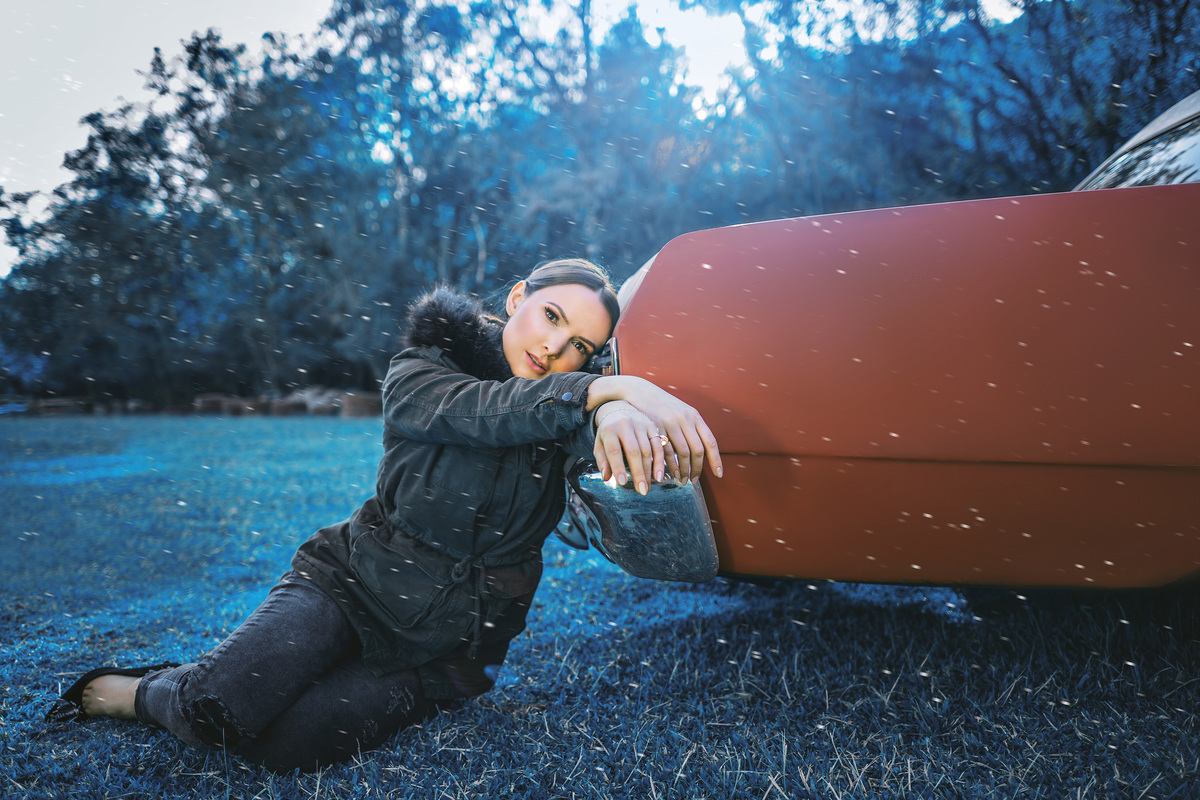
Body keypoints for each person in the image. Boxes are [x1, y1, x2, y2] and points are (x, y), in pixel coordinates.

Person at [47, 258, 722, 773]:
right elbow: (487, 414)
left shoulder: (568, 409)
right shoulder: (426, 368)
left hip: (450, 651)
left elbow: (589, 426)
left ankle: (275, 676)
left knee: (284, 748)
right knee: (217, 714)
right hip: (350, 585)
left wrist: (617, 409)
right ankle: (141, 690)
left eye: (580, 346)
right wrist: (612, 386)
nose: (555, 350)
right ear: (517, 299)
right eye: (550, 317)